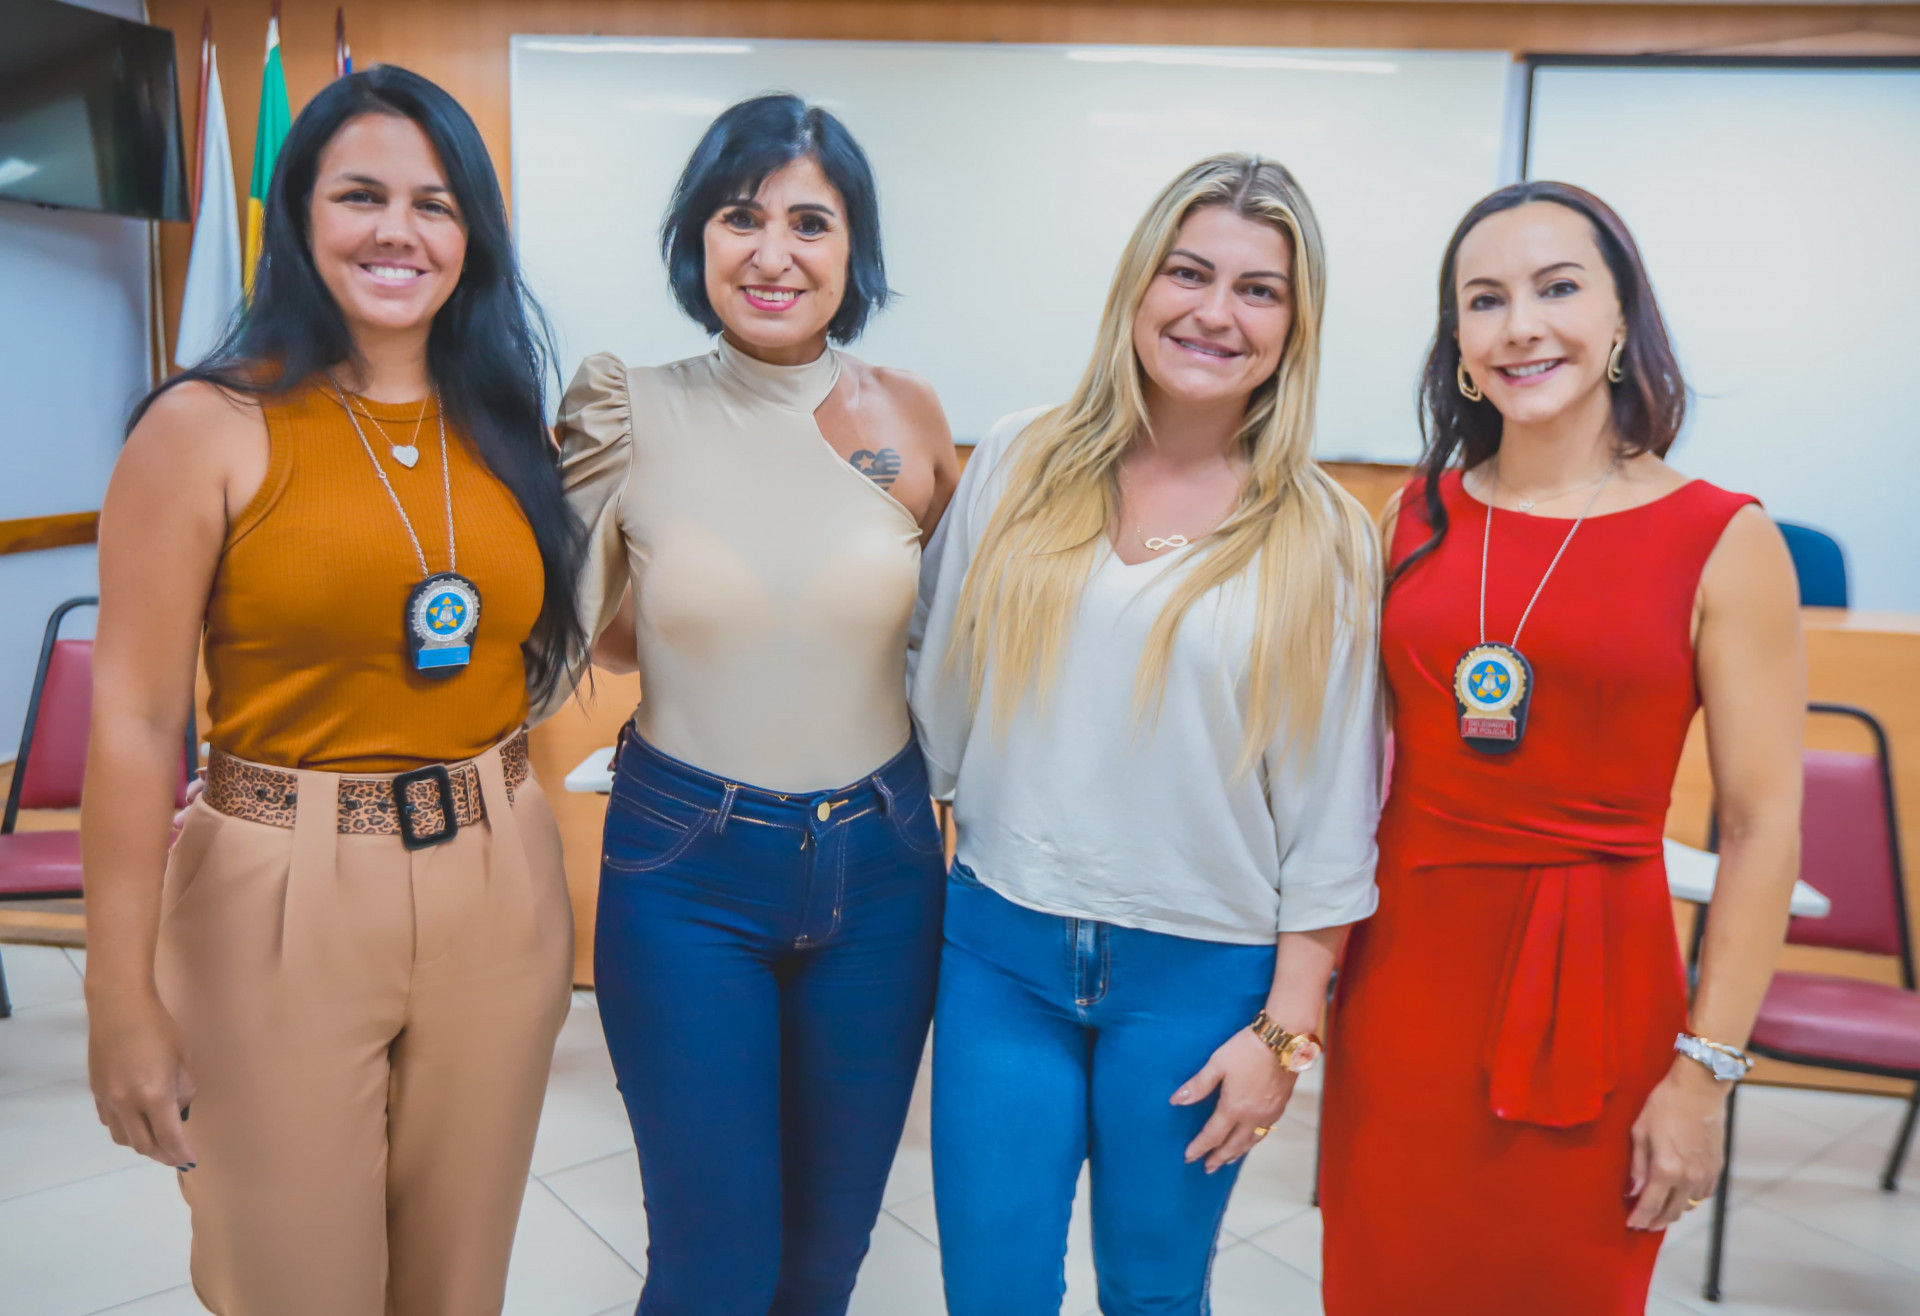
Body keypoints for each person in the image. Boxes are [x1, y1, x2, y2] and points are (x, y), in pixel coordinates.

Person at [81, 67, 583, 1315]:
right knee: (295, 1279)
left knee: (459, 1282)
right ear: (299, 215)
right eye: (362, 195)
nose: (399, 231)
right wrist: (118, 991)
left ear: (474, 232)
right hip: (278, 886)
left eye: (436, 202)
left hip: (500, 870)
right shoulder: (205, 426)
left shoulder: (507, 420)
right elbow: (136, 722)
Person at [1318, 181, 1804, 1314]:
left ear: (1624, 314)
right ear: (1460, 346)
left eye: (1558, 286)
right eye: (1484, 300)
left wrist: (1706, 1071)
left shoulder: (1724, 537)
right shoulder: (1407, 519)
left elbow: (1760, 826)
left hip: (1602, 989)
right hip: (1404, 986)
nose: (1521, 323)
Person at [911, 154, 1381, 1316]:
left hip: (1200, 977)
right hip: (1000, 953)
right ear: (1139, 285)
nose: (1215, 312)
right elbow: (938, 699)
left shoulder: (1325, 533)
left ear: (1294, 325)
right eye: (1189, 272)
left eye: (1259, 289)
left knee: (1156, 1290)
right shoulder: (1020, 460)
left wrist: (1284, 1032)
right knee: (993, 1287)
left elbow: (1331, 806)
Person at [551, 93, 959, 1315]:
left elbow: (934, 633)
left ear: (854, 251)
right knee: (714, 1263)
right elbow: (582, 631)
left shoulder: (911, 416)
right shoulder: (629, 402)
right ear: (699, 237)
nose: (773, 251)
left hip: (883, 865)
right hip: (686, 870)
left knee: (827, 1257)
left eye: (811, 222)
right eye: (741, 216)